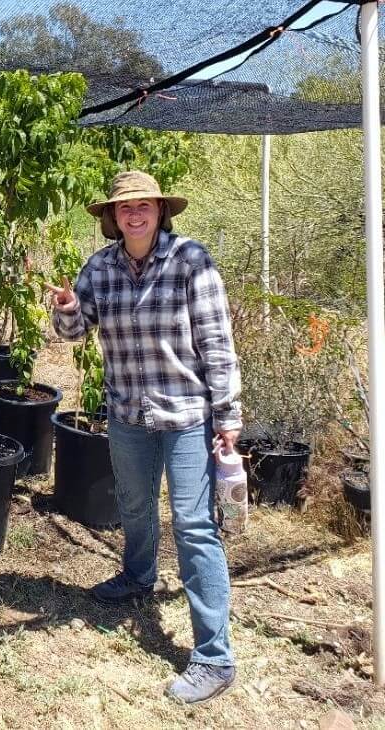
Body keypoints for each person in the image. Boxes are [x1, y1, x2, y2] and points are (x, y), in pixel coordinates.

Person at [47, 170, 242, 704]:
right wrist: (66, 306)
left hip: (185, 417)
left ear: (160, 211)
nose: (134, 214)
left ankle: (214, 657)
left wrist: (228, 417)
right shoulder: (100, 268)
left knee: (194, 526)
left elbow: (217, 343)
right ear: (113, 216)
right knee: (133, 506)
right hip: (128, 413)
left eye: (144, 206)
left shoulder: (190, 261)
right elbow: (72, 333)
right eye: (124, 207)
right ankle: (138, 577)